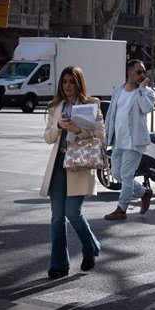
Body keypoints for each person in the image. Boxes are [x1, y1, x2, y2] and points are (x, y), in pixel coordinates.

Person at [40, 66, 103, 279]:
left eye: (72, 82)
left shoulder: (91, 104)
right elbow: (48, 138)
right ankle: (59, 264)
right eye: (65, 81)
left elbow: (100, 134)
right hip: (59, 162)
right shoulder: (54, 106)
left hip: (80, 162)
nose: (68, 86)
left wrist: (79, 130)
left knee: (72, 212)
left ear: (79, 83)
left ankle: (90, 246)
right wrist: (58, 125)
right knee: (57, 217)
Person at [103, 59, 155, 220]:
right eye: (139, 72)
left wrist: (141, 89)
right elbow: (111, 115)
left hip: (135, 141)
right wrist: (106, 137)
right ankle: (144, 193)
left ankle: (122, 208)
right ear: (129, 72)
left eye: (144, 72)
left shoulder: (147, 92)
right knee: (117, 174)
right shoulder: (118, 91)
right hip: (118, 140)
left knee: (126, 175)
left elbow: (147, 109)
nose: (142, 75)